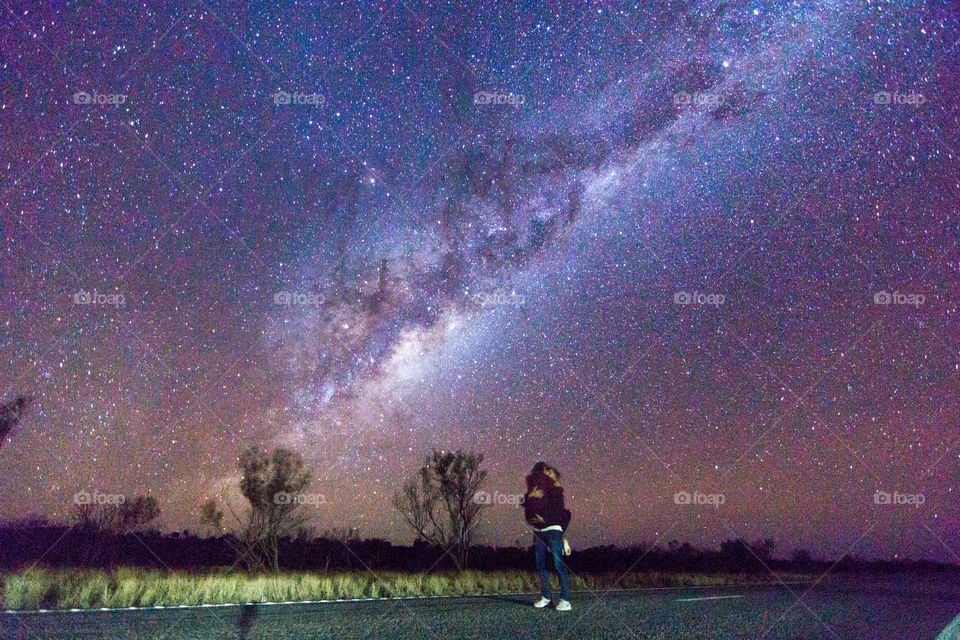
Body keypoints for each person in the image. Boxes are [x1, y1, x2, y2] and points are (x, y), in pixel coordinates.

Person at [523, 462, 572, 611]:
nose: (546, 473)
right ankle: (546, 597)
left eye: (550, 472)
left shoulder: (556, 491)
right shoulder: (542, 488)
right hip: (539, 532)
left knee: (558, 564)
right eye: (546, 472)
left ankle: (565, 600)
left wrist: (547, 522)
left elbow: (562, 514)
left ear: (556, 478)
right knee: (540, 564)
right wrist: (530, 496)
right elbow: (525, 501)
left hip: (552, 530)